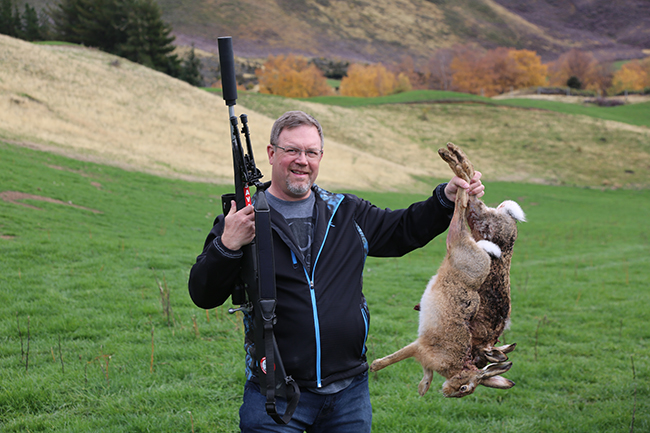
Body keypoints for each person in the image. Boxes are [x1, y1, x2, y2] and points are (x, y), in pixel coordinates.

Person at [188, 110, 485, 432]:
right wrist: (227, 246)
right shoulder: (242, 218)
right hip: (274, 394)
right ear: (272, 154)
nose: (302, 160)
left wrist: (445, 198)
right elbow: (203, 294)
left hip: (348, 395)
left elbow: (402, 231)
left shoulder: (345, 211)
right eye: (292, 150)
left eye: (311, 152)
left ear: (320, 157)